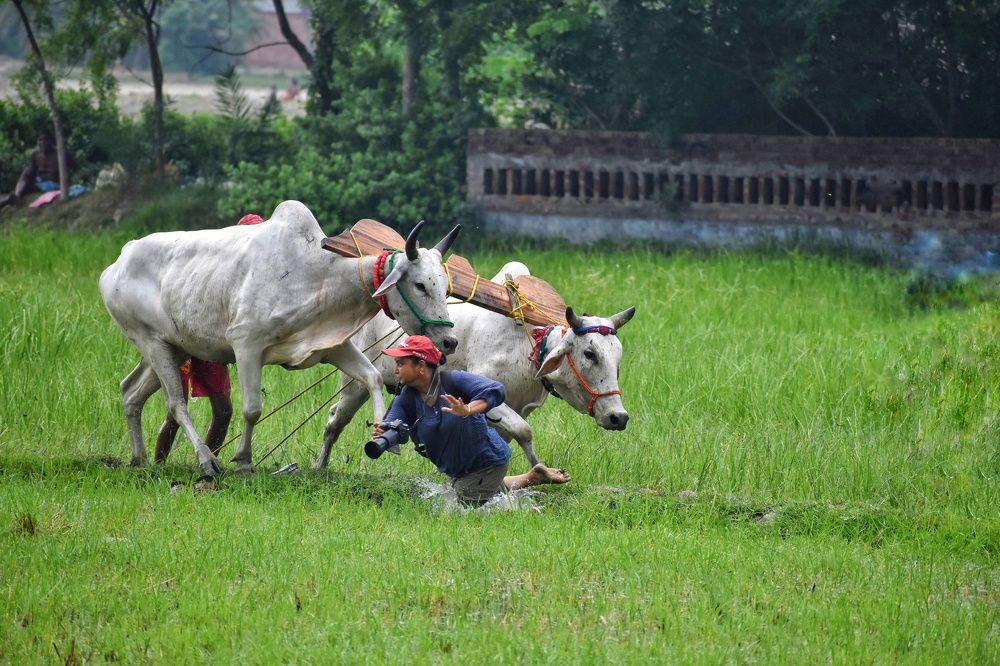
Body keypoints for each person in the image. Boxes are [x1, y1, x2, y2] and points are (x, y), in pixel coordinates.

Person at [374, 335, 570, 505]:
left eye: (401, 364)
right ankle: (532, 477)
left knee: (457, 509)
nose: (395, 370)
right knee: (483, 492)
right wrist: (384, 432)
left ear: (421, 366)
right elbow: (395, 422)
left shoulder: (452, 381)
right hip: (459, 468)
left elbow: (495, 390)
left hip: (488, 461)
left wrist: (467, 409)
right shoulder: (407, 396)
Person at [153, 213, 266, 463]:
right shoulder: (221, 259)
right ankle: (157, 466)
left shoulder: (260, 272)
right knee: (175, 410)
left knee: (224, 411)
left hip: (213, 346)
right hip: (184, 338)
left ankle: (209, 463)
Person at [0, 130, 77, 208]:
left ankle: (13, 198)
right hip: (39, 181)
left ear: (51, 141)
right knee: (26, 173)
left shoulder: (61, 154)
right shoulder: (36, 155)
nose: (43, 143)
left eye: (45, 139)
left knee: (32, 187)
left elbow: (76, 167)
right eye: (40, 140)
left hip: (54, 184)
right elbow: (30, 172)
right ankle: (17, 196)